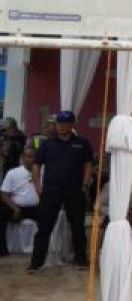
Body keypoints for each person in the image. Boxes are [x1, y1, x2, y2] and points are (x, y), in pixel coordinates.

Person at [28, 111, 93, 273]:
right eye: (59, 123)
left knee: (77, 226)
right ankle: (36, 262)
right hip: (51, 191)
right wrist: (37, 185)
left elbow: (88, 165)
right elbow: (36, 165)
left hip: (75, 191)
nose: (62, 126)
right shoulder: (47, 144)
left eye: (65, 123)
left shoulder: (83, 143)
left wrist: (85, 184)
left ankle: (81, 259)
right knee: (44, 227)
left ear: (72, 125)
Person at [0, 146, 39, 256]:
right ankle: (2, 250)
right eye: (28, 156)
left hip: (36, 208)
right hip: (16, 208)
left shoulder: (42, 171)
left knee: (50, 215)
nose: (31, 159)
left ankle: (41, 250)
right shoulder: (13, 172)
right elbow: (3, 193)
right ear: (23, 157)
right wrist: (15, 208)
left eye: (33, 157)